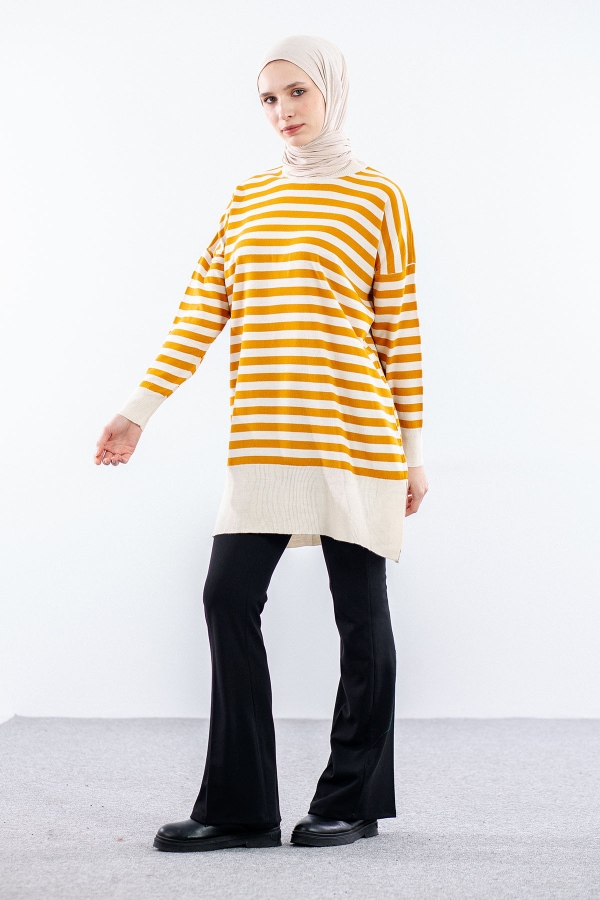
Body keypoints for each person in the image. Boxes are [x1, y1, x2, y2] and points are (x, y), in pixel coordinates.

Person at [94, 33, 428, 852]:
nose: (283, 111)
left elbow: (400, 332)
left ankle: (351, 800)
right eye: (269, 98)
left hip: (356, 440)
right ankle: (241, 807)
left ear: (331, 91)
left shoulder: (378, 196)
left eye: (297, 92)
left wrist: (414, 452)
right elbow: (199, 311)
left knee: (361, 615)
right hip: (266, 440)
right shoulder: (247, 199)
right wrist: (139, 409)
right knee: (227, 597)